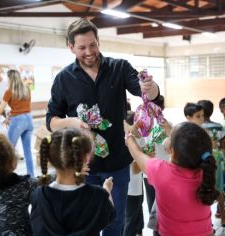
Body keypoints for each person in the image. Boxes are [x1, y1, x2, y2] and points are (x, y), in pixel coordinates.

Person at [46, 18, 159, 235]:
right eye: (82, 47)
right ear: (70, 47)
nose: (89, 52)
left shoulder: (119, 67)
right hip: (81, 165)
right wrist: (71, 122)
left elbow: (147, 93)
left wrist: (150, 86)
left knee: (114, 221)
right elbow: (51, 121)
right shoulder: (63, 79)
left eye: (93, 45)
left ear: (98, 41)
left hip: (116, 162)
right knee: (84, 222)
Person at [126, 122, 217, 236]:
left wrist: (129, 137)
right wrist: (171, 130)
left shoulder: (161, 171)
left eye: (170, 136)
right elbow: (189, 145)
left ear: (171, 150)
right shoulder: (206, 171)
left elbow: (137, 154)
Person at [30, 127, 116, 235]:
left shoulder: (39, 197)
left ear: (49, 159)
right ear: (85, 158)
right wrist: (107, 190)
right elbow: (110, 216)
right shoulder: (98, 196)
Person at [0, 70, 34, 177]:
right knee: (28, 151)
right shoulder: (26, 89)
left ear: (10, 78)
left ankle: (5, 175)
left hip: (18, 121)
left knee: (8, 150)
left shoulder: (9, 91)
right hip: (29, 119)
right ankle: (31, 176)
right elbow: (24, 106)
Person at [198, 99, 225, 227]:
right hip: (218, 161)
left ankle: (208, 222)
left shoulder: (197, 127)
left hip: (202, 162)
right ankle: (223, 218)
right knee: (219, 188)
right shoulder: (219, 127)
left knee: (204, 189)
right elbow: (224, 147)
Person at [123, 111, 144, 236]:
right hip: (132, 188)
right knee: (130, 220)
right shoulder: (132, 140)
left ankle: (139, 231)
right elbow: (136, 167)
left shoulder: (137, 138)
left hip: (134, 186)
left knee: (132, 216)